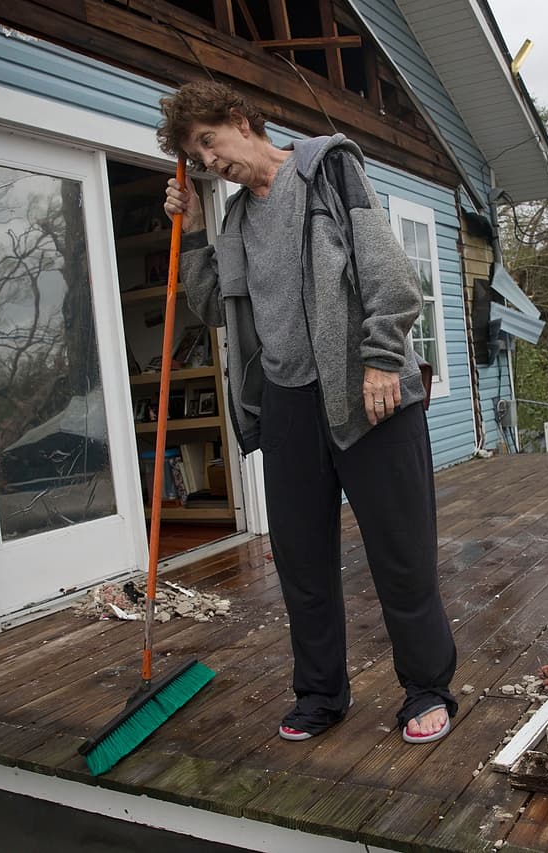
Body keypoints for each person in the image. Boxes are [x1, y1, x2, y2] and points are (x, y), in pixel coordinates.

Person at [157, 81, 457, 743]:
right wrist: (197, 229)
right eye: (196, 156)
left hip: (370, 391)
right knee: (301, 561)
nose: (208, 161)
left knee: (401, 556)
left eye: (208, 142)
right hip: (290, 401)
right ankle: (320, 693)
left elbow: (389, 271)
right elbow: (211, 305)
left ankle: (427, 688)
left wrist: (381, 355)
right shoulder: (234, 219)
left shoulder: (326, 167)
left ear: (238, 119)